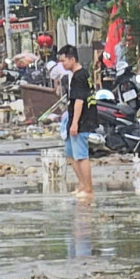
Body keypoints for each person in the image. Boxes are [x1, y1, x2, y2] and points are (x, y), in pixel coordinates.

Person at [59, 45, 95, 200]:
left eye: (63, 61)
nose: (62, 64)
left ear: (72, 59)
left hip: (81, 120)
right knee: (70, 153)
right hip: (73, 118)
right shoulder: (76, 75)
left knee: (81, 155)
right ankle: (81, 184)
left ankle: (88, 188)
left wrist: (75, 123)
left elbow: (79, 101)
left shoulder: (80, 76)